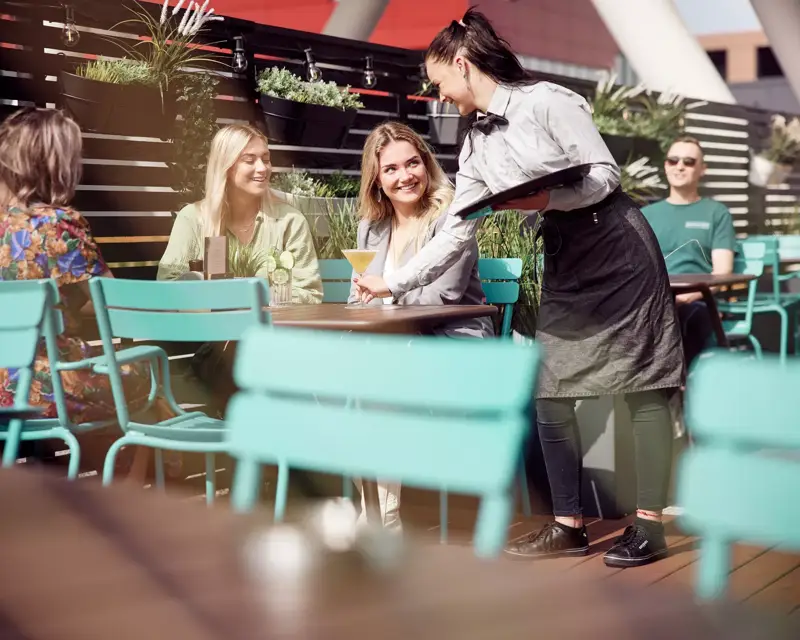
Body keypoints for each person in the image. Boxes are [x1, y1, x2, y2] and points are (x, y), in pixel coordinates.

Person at [355, 10, 685, 567]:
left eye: (439, 82)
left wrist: (545, 200)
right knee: (553, 391)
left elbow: (605, 176)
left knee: (642, 388)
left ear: (462, 65)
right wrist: (393, 283)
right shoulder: (475, 144)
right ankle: (568, 525)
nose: (438, 94)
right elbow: (457, 229)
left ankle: (649, 527)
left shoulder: (550, 102)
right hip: (566, 256)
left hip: (619, 251)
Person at [0, 107, 159, 480]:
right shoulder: (58, 226)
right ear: (57, 163)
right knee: (146, 378)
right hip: (40, 384)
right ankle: (130, 503)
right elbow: (112, 303)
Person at [349, 121, 494, 530]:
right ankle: (373, 514)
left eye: (412, 163)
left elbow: (440, 298)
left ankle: (381, 518)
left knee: (376, 382)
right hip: (396, 348)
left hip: (451, 345)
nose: (405, 176)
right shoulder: (371, 227)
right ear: (377, 179)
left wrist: (383, 297)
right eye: (391, 169)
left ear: (426, 165)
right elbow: (356, 296)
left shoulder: (450, 218)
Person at [157, 123, 323, 305]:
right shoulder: (192, 218)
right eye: (249, 160)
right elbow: (167, 285)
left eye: (266, 159)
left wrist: (245, 296)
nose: (262, 168)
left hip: (271, 330)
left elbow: (309, 293)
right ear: (226, 167)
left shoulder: (289, 221)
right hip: (208, 330)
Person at [643, 135, 735, 369]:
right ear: (665, 166)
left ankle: (685, 393)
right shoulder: (646, 215)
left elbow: (722, 273)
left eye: (689, 161)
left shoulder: (716, 213)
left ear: (702, 169)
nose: (680, 166)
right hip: (655, 301)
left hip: (698, 301)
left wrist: (689, 296)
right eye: (673, 160)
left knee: (689, 318)